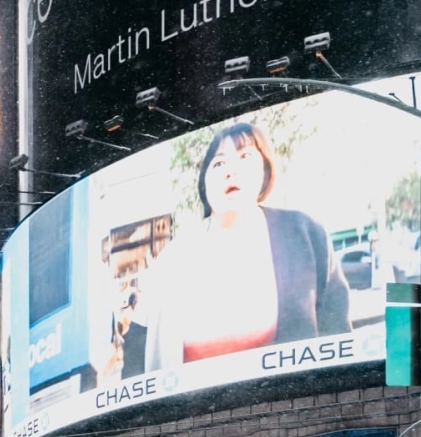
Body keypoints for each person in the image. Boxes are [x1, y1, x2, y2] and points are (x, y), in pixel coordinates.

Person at [146, 121, 349, 371]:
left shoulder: (306, 234)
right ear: (204, 183)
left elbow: (339, 336)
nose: (230, 171)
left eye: (245, 156)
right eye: (218, 163)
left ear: (265, 170)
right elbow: (137, 356)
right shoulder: (173, 259)